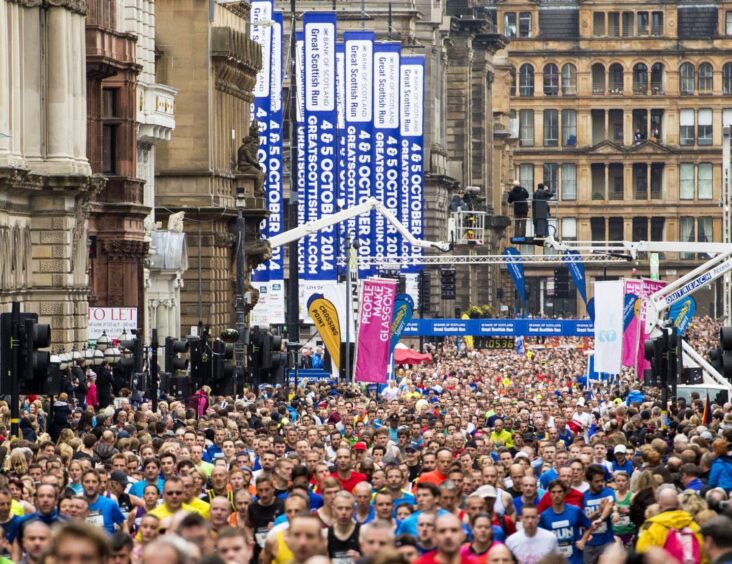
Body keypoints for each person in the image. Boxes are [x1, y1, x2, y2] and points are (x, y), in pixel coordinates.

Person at [636, 487, 704, 558]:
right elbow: (703, 553)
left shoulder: (651, 528)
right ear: (678, 503)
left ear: (659, 504)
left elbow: (642, 555)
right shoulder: (692, 525)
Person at [326, 491, 361, 563]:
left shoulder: (363, 532)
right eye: (340, 508)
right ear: (333, 508)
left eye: (348, 508)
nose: (344, 512)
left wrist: (362, 560)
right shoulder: (325, 534)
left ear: (354, 510)